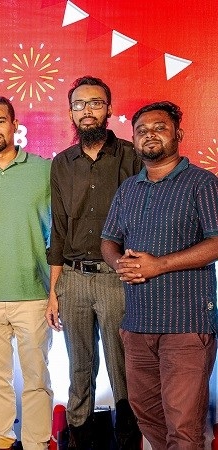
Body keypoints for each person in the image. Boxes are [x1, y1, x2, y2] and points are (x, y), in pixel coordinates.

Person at [102, 101, 218, 449]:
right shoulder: (128, 189)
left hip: (186, 325)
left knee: (183, 426)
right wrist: (119, 263)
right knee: (148, 417)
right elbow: (108, 240)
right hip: (137, 325)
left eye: (159, 127)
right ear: (134, 139)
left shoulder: (202, 184)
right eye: (141, 130)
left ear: (178, 134)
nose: (150, 134)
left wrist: (159, 265)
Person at [44, 76, 141, 449]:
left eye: (95, 103)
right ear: (71, 112)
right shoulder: (62, 163)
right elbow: (59, 230)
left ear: (109, 109)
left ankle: (129, 441)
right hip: (73, 279)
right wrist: (54, 292)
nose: (87, 111)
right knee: (79, 371)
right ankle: (79, 442)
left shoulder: (132, 156)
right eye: (79, 104)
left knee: (123, 371)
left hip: (118, 279)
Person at [0, 96, 53, 450]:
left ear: (15, 125)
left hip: (35, 293)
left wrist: (56, 289)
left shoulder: (44, 170)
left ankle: (37, 444)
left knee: (36, 379)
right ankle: (1, 442)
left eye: (0, 121)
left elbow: (59, 232)